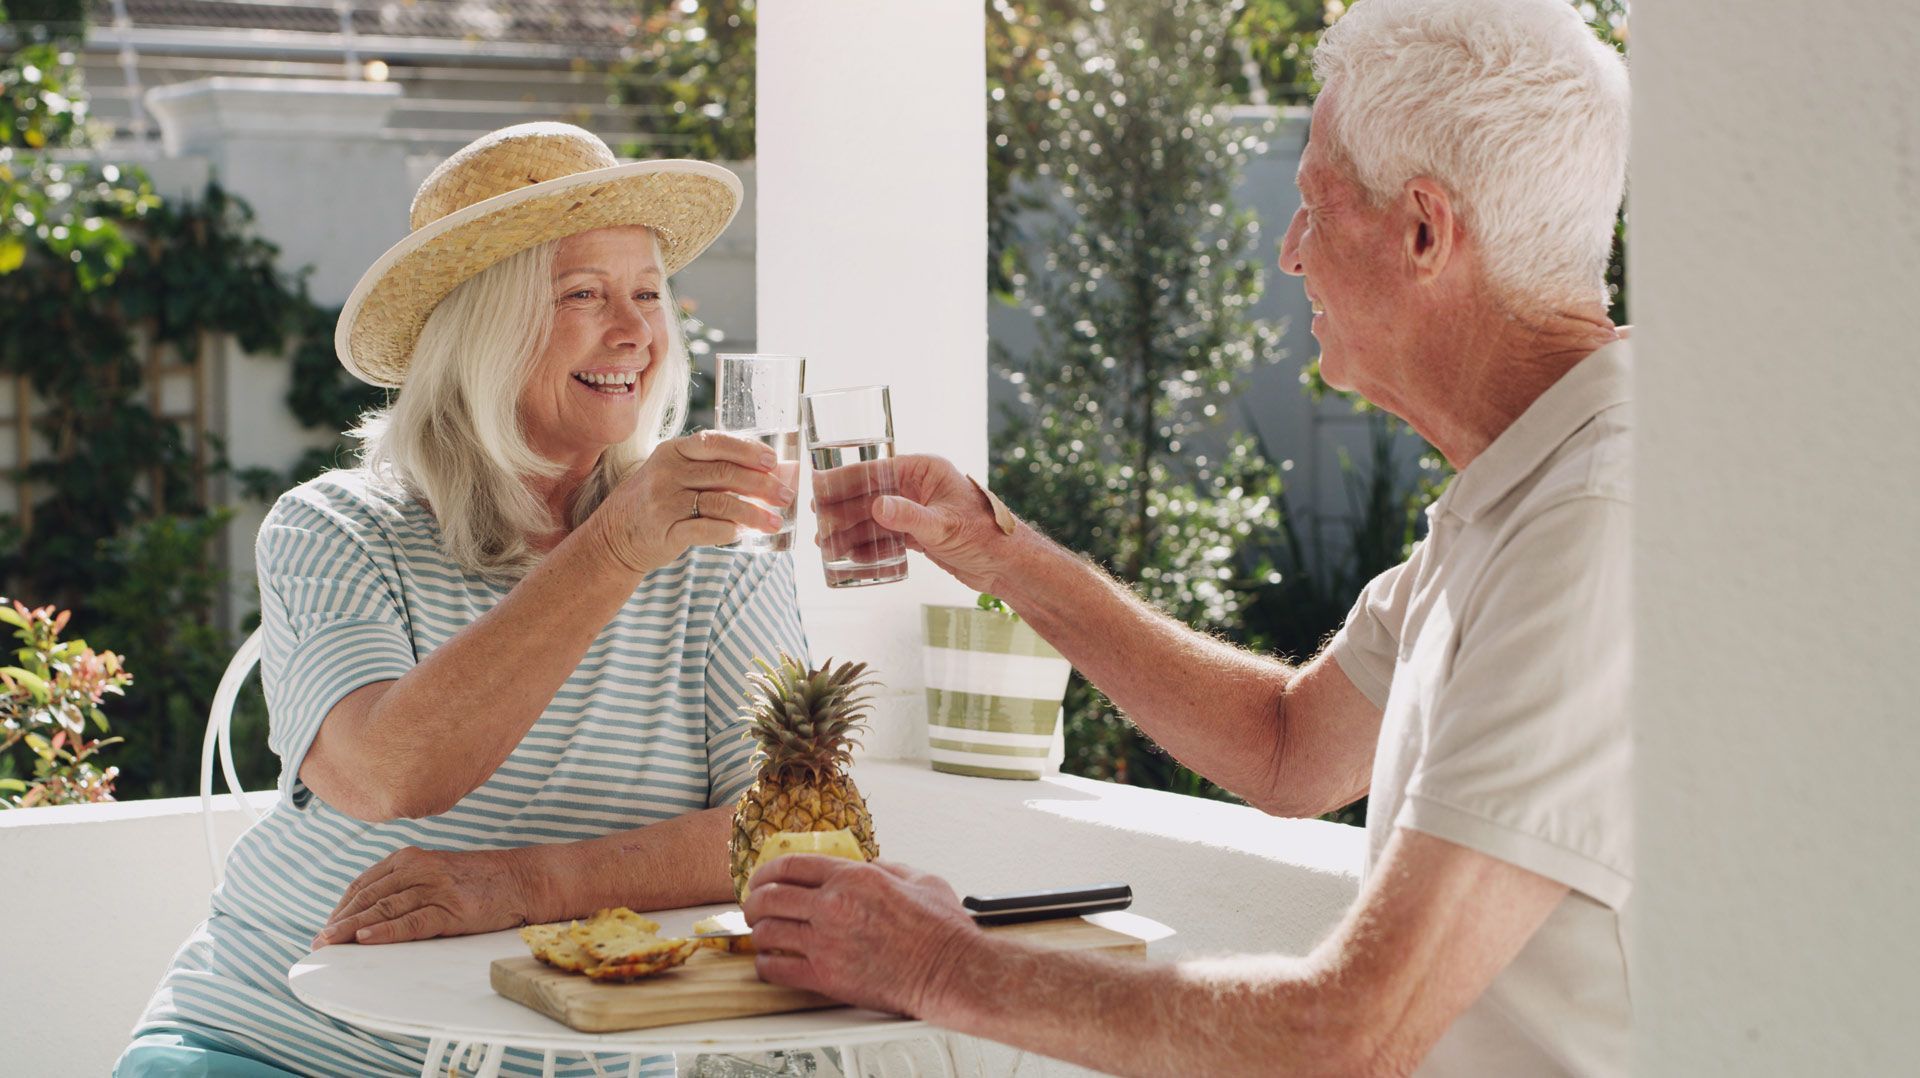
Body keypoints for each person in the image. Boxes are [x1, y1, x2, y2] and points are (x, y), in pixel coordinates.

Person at [754, 1, 1632, 1073]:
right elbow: (1286, 746)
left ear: (1423, 231)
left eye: (1313, 206)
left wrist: (939, 967)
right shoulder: (1521, 492)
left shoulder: (1593, 527)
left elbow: (1349, 1030)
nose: (1289, 251)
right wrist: (1007, 557)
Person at [118, 124, 806, 1077]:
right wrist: (612, 548)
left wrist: (525, 885)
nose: (635, 331)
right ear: (486, 323)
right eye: (582, 295)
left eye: (647, 293)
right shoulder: (337, 527)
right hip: (281, 1040)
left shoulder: (722, 552)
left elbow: (792, 829)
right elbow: (384, 777)